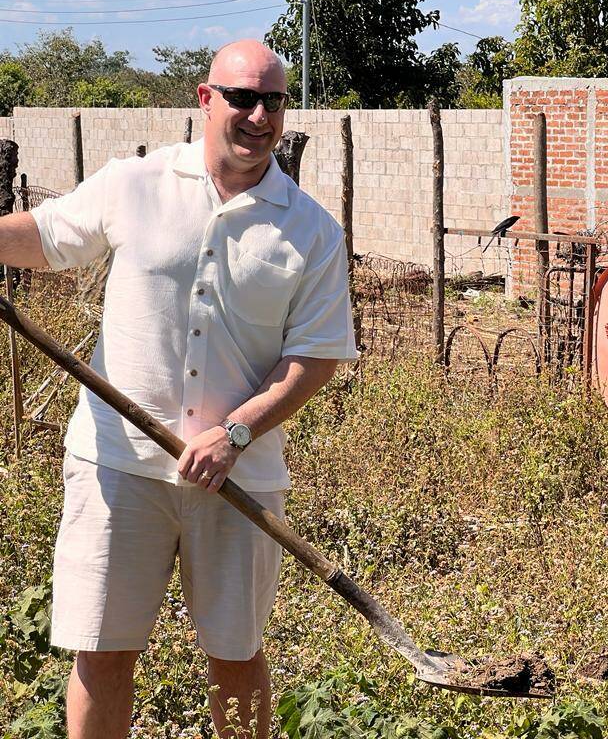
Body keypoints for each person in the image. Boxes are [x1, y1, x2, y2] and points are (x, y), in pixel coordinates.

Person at [0, 40, 357, 739]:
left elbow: (314, 358)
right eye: (242, 98)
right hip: (116, 467)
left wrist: (236, 434)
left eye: (273, 101)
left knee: (235, 654)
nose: (258, 115)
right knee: (103, 651)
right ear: (204, 100)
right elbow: (47, 238)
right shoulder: (135, 182)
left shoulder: (310, 231)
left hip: (239, 482)